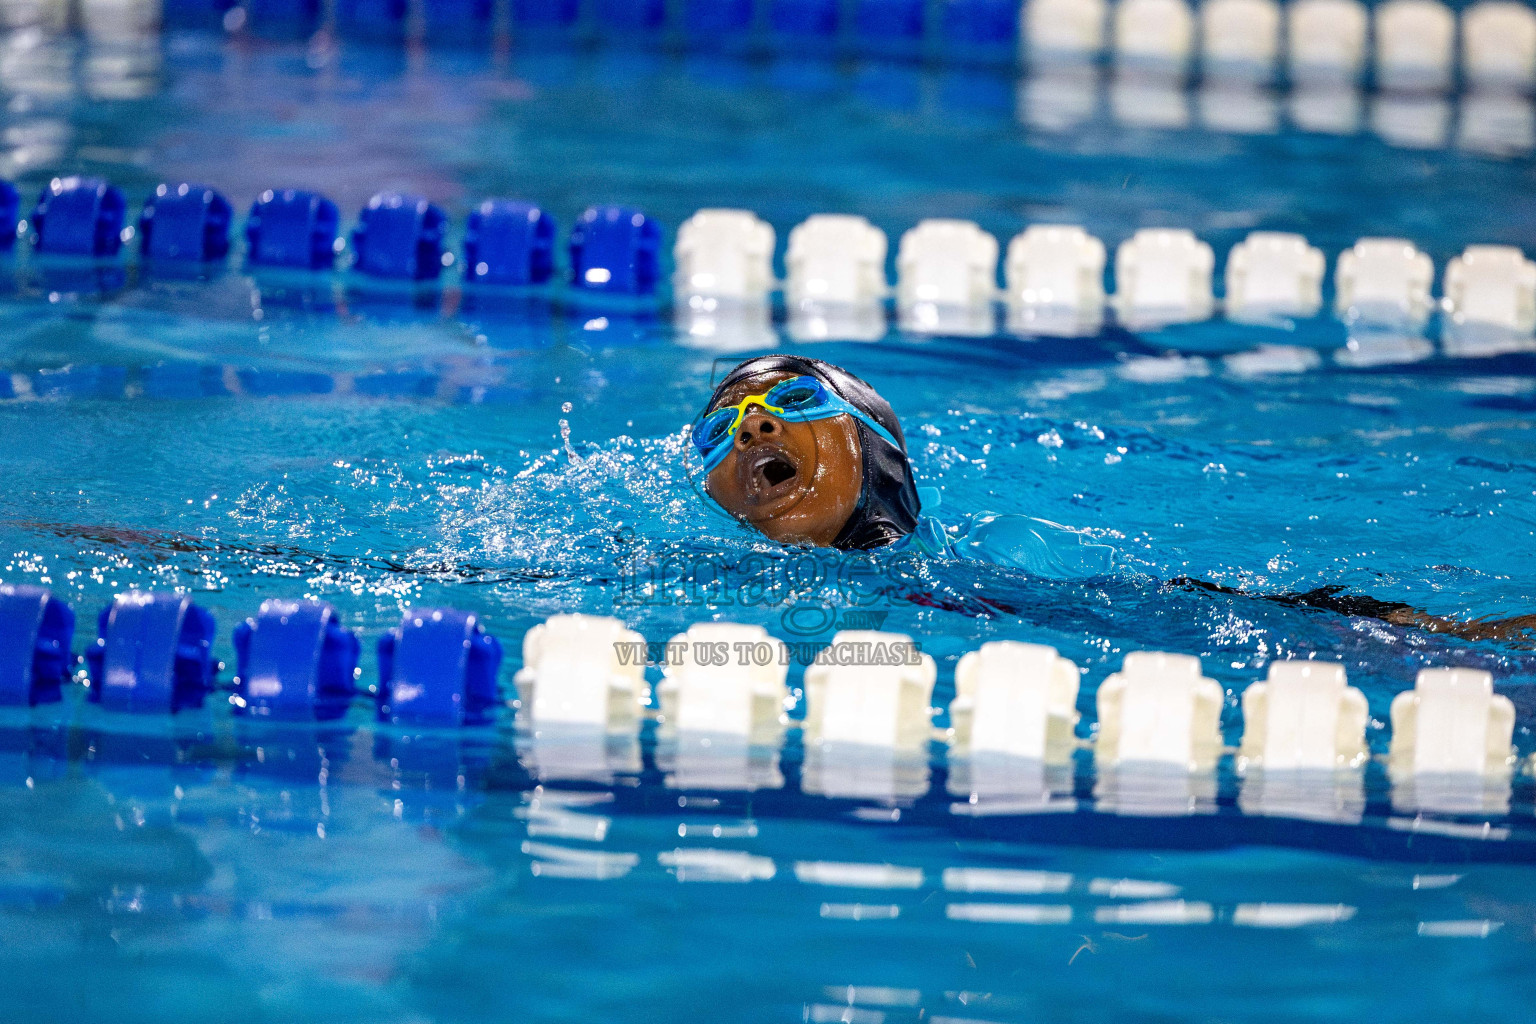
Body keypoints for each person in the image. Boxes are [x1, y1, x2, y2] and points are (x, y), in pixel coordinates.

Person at [693, 354, 1535, 642]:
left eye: (795, 402)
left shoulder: (986, 577)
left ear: (876, 448)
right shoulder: (686, 585)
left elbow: (1187, 614)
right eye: (724, 427)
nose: (755, 428)